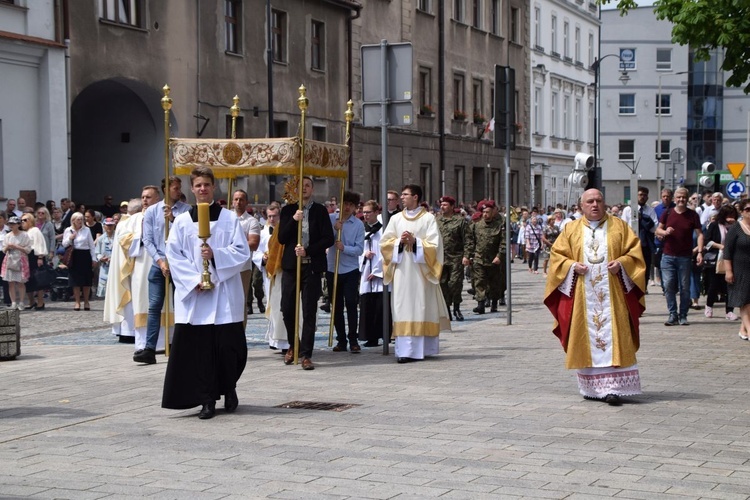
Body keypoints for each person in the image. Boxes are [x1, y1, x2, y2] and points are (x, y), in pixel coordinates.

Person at [162, 166, 250, 419]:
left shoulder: (229, 218)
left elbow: (242, 252)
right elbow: (174, 255)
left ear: (214, 187)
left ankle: (229, 387)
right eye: (198, 185)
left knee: (228, 349)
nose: (202, 189)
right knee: (200, 352)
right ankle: (207, 399)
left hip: (223, 294)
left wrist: (215, 258)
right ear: (192, 189)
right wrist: (194, 280)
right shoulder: (180, 221)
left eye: (207, 185)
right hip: (196, 298)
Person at [544, 189, 646, 406]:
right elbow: (556, 257)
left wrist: (622, 264)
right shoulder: (570, 229)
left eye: (599, 200)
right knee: (586, 335)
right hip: (583, 297)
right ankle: (592, 388)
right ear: (581, 205)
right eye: (590, 201)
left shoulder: (619, 227)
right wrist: (571, 266)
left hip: (614, 296)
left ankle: (614, 388)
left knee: (616, 335)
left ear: (604, 203)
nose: (595, 205)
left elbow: (635, 255)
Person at [380, 184, 451, 363]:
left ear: (416, 197)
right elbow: (385, 243)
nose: (402, 198)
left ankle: (423, 348)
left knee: (420, 307)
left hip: (421, 272)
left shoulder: (428, 219)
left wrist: (416, 242)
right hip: (402, 270)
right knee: (402, 307)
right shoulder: (396, 219)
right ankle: (405, 351)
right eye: (402, 194)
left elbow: (435, 245)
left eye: (405, 195)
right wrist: (400, 243)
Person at [277, 176, 335, 370]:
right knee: (287, 307)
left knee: (309, 310)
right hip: (292, 266)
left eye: (308, 185)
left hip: (311, 265)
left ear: (312, 189)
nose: (304, 189)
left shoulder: (320, 211)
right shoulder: (288, 210)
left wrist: (308, 251)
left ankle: (306, 354)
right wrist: (294, 220)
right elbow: (282, 238)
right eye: (300, 186)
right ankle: (294, 345)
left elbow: (328, 238)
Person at [139, 178, 190, 364]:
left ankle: (181, 346)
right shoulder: (152, 211)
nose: (178, 191)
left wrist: (173, 220)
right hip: (159, 262)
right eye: (175, 188)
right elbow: (148, 240)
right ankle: (149, 348)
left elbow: (188, 235)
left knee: (181, 306)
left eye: (179, 188)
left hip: (178, 264)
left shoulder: (186, 210)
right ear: (166, 189)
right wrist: (160, 261)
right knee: (154, 307)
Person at [656, 187, 704, 326]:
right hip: (668, 255)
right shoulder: (667, 213)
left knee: (684, 286)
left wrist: (700, 251)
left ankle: (683, 315)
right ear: (674, 199)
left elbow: (700, 234)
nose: (681, 199)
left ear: (687, 198)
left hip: (685, 256)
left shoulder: (692, 215)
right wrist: (665, 232)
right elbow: (658, 229)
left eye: (683, 197)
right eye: (679, 197)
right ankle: (672, 314)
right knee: (669, 285)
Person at [327, 190, 365, 353]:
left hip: (350, 269)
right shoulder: (330, 219)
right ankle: (341, 339)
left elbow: (359, 249)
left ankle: (353, 339)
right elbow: (324, 239)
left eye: (351, 205)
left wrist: (345, 248)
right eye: (345, 204)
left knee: (350, 303)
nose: (348, 207)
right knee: (336, 306)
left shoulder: (358, 225)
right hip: (332, 268)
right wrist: (334, 230)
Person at [253, 202, 289, 351]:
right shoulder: (262, 233)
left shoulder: (284, 231)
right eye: (269, 216)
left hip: (282, 272)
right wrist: (262, 258)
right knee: (271, 304)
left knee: (281, 304)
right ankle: (273, 339)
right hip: (268, 273)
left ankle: (283, 340)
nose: (272, 219)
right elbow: (256, 252)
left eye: (274, 216)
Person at [464, 200, 506, 315]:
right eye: (483, 212)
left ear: (493, 212)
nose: (485, 214)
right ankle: (480, 304)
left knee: (494, 283)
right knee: (479, 281)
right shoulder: (476, 226)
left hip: (494, 260)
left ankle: (494, 303)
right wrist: (467, 256)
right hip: (479, 259)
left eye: (488, 212)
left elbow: (503, 243)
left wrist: (499, 256)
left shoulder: (499, 226)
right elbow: (470, 243)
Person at [358, 200, 387, 347]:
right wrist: (364, 254)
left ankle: (384, 335)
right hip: (365, 272)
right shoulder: (361, 229)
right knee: (367, 304)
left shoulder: (384, 230)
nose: (366, 215)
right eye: (364, 212)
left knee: (381, 304)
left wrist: (377, 271)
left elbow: (386, 252)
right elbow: (357, 248)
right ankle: (370, 337)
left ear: (376, 212)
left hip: (378, 271)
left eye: (368, 212)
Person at [703, 205, 738, 320]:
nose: (730, 218)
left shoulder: (737, 226)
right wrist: (720, 246)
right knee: (714, 285)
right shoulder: (714, 225)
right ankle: (709, 306)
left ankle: (729, 311)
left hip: (733, 259)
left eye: (732, 215)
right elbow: (707, 242)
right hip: (717, 259)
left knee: (730, 286)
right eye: (728, 215)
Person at [231, 189, 261, 325]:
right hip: (226, 264)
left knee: (240, 300)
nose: (238, 202)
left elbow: (253, 244)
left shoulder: (251, 221)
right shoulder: (226, 218)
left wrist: (232, 246)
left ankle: (240, 333)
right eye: (236, 199)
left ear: (246, 202)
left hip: (243, 267)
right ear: (232, 201)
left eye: (241, 199)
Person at [436, 196, 467, 321]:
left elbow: (467, 239)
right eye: (441, 205)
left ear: (452, 207)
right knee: (443, 284)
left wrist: (466, 255)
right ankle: (447, 310)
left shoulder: (460, 221)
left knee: (455, 283)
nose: (442, 207)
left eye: (445, 205)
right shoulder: (436, 221)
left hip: (456, 257)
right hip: (441, 258)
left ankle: (457, 308)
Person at [621, 187, 658, 290]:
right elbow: (624, 226)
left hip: (645, 244)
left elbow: (654, 227)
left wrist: (645, 220)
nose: (642, 197)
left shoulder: (650, 211)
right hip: (631, 244)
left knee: (645, 267)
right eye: (640, 195)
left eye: (645, 195)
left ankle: (643, 287)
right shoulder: (628, 210)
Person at [724, 199, 750, 340]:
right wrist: (729, 271)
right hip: (739, 269)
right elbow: (727, 251)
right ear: (741, 211)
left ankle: (743, 330)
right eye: (747, 209)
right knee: (744, 300)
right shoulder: (736, 228)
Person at [62, 212, 97, 311]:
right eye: (78, 219)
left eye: (82, 219)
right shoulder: (68, 230)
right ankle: (77, 302)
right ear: (73, 220)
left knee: (86, 281)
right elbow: (64, 244)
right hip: (74, 255)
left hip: (85, 255)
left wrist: (94, 258)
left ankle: (86, 301)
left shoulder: (87, 230)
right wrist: (70, 238)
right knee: (75, 281)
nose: (80, 221)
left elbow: (91, 245)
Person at [1, 216, 32, 310]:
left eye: (13, 224)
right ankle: (13, 302)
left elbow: (28, 249)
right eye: (10, 224)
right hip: (10, 258)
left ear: (18, 224)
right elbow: (3, 249)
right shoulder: (7, 236)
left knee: (20, 282)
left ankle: (21, 302)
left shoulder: (24, 235)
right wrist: (7, 247)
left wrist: (16, 247)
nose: (11, 225)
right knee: (10, 282)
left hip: (20, 259)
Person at [21, 214, 47, 310]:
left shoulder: (35, 231)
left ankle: (40, 301)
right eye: (22, 220)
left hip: (35, 256)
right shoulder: (24, 232)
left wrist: (40, 257)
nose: (22, 222)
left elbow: (39, 244)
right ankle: (31, 301)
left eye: (25, 220)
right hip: (27, 256)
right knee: (28, 280)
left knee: (38, 279)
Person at [95, 218, 116, 298]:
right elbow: (97, 252)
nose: (109, 227)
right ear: (104, 226)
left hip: (115, 265)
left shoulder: (118, 237)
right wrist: (101, 258)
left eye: (111, 225)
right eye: (108, 225)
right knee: (105, 285)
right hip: (105, 266)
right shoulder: (101, 239)